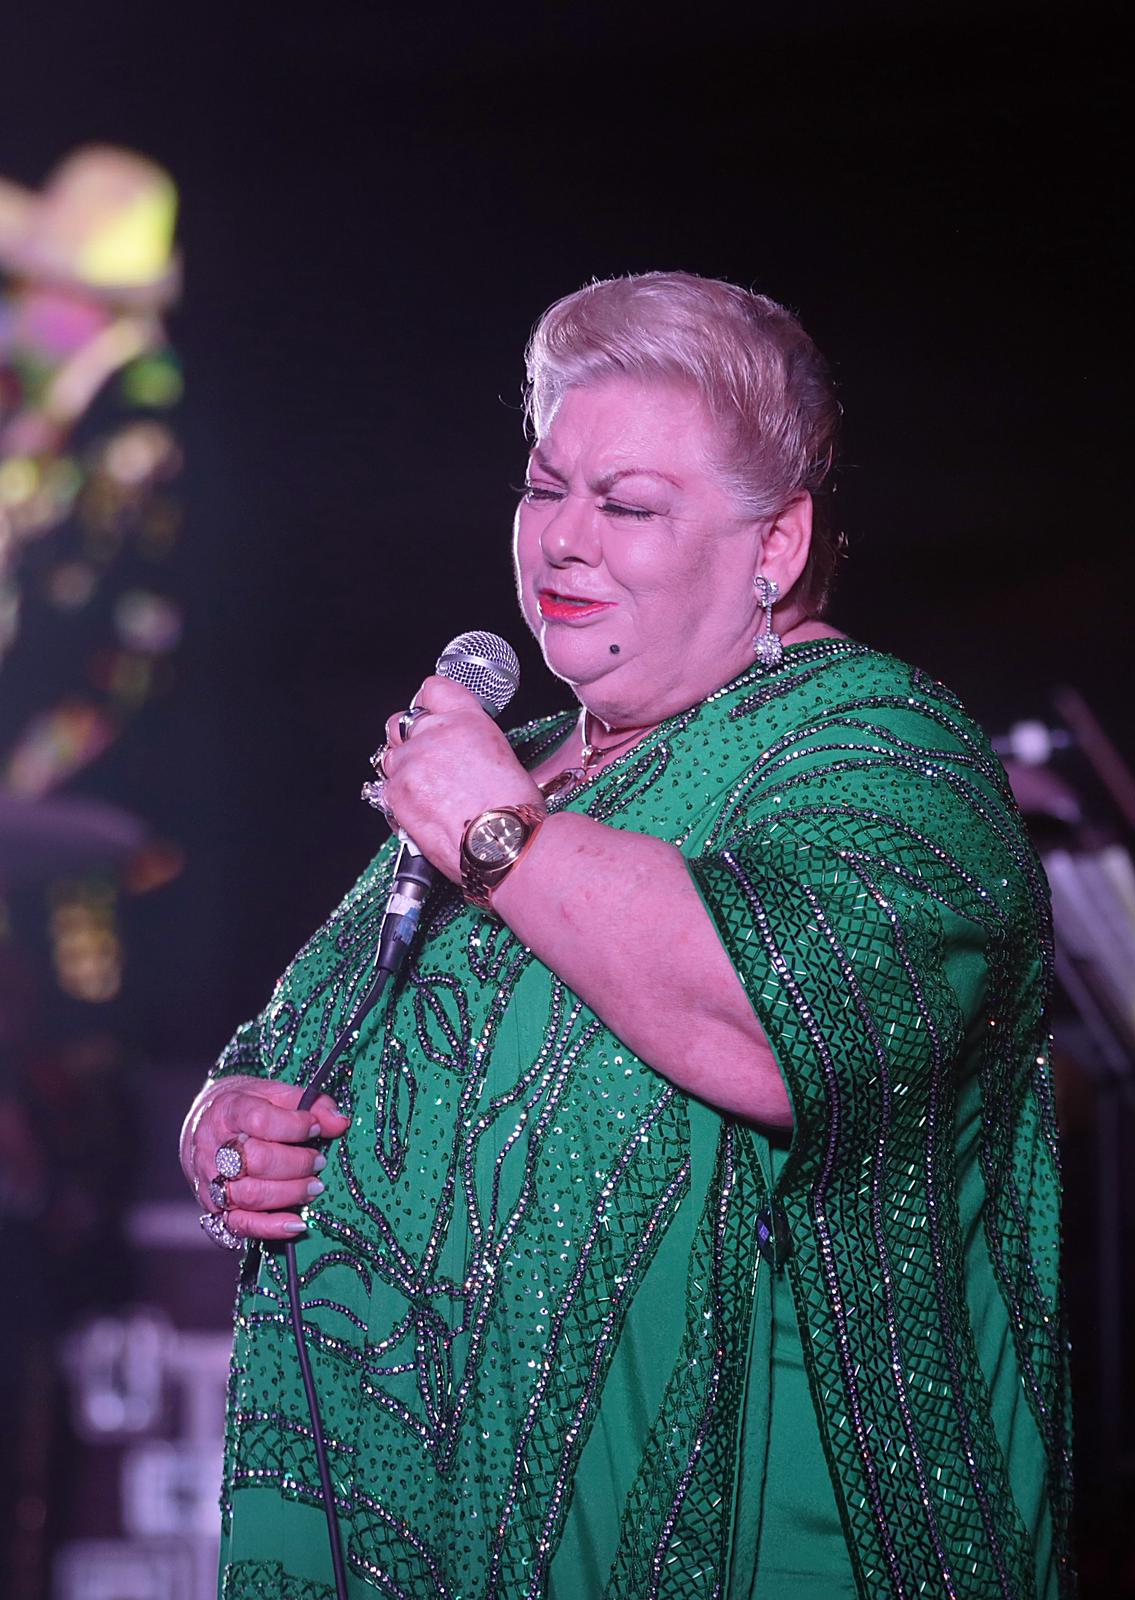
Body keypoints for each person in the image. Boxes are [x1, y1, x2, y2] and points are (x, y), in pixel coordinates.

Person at [181, 273, 1070, 1596]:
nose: (563, 544)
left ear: (774, 548)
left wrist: (494, 834)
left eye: (631, 505)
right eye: (546, 490)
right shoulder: (519, 763)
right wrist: (223, 1131)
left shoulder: (884, 755)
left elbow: (776, 1029)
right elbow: (293, 1042)